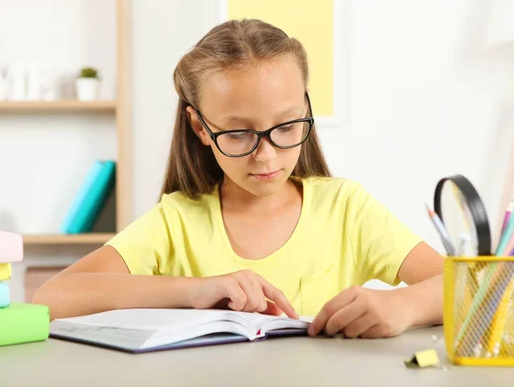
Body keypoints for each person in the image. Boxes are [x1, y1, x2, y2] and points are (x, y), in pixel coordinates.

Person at [34, 19, 444, 339]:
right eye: (237, 134)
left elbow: (478, 287)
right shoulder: (177, 220)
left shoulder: (346, 209)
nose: (265, 155)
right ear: (199, 127)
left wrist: (405, 305)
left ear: (304, 105)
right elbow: (51, 298)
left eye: (286, 127)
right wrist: (191, 291)